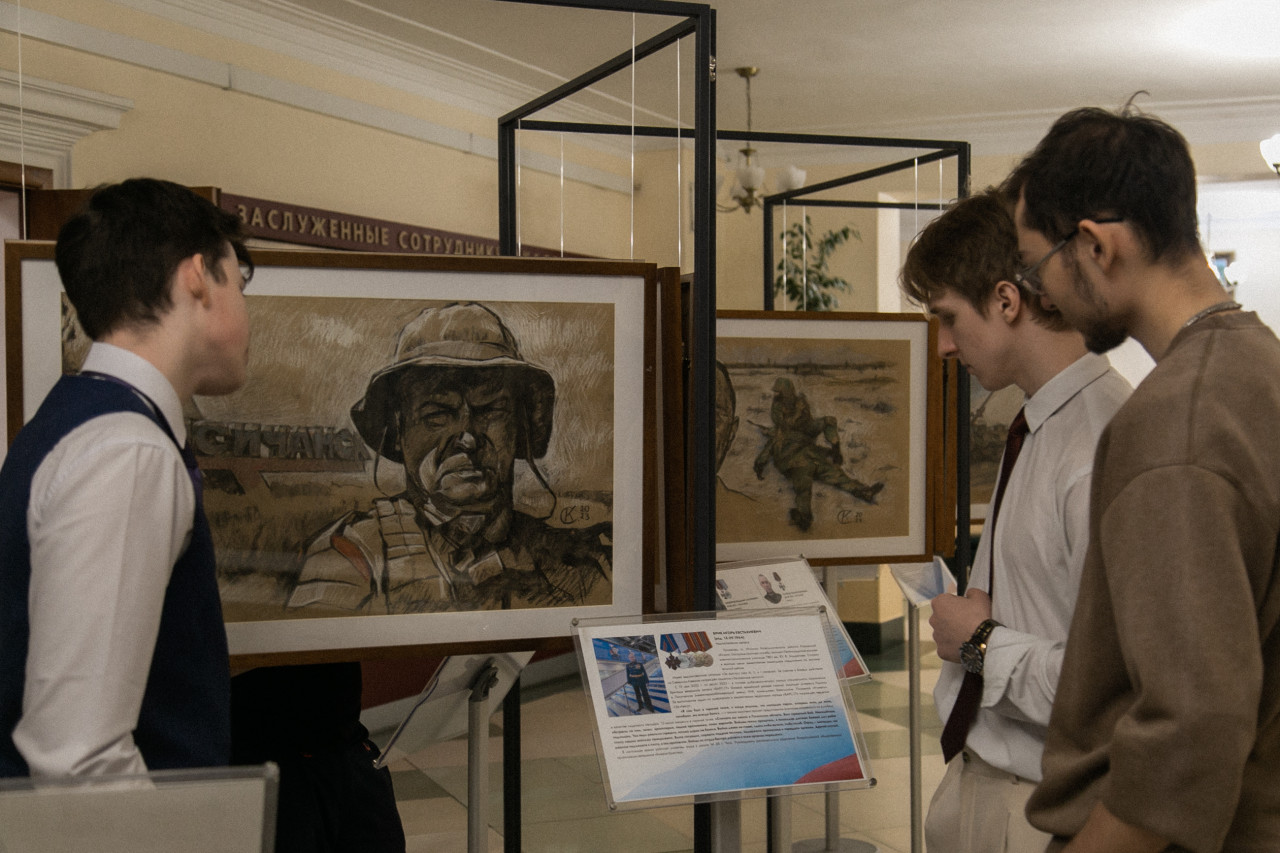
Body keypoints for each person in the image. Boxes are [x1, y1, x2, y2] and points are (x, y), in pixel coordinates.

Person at [1006, 103, 1280, 852]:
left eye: (1036, 266)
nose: (1041, 294)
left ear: (1096, 245)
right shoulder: (1261, 366)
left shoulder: (1175, 421)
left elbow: (1190, 727)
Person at [899, 189, 1130, 852]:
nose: (943, 347)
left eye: (948, 318)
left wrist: (979, 642)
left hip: (1040, 807)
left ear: (1007, 300)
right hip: (984, 781)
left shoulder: (1101, 444)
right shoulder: (1034, 421)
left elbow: (1112, 690)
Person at [0, 178, 252, 777]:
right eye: (240, 283)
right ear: (198, 277)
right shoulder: (128, 452)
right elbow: (79, 758)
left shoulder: (75, 419)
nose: (246, 309)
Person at [288, 301, 611, 614]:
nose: (467, 438)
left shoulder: (573, 564)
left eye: (490, 411)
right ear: (399, 431)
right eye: (438, 414)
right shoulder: (353, 554)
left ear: (520, 428)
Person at [752, 376, 883, 531]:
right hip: (794, 461)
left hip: (812, 456)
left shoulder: (802, 416)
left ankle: (863, 491)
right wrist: (760, 463)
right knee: (804, 486)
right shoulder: (781, 430)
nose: (776, 395)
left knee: (835, 474)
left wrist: (835, 447)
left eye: (778, 392)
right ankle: (804, 517)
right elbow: (772, 444)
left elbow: (823, 423)